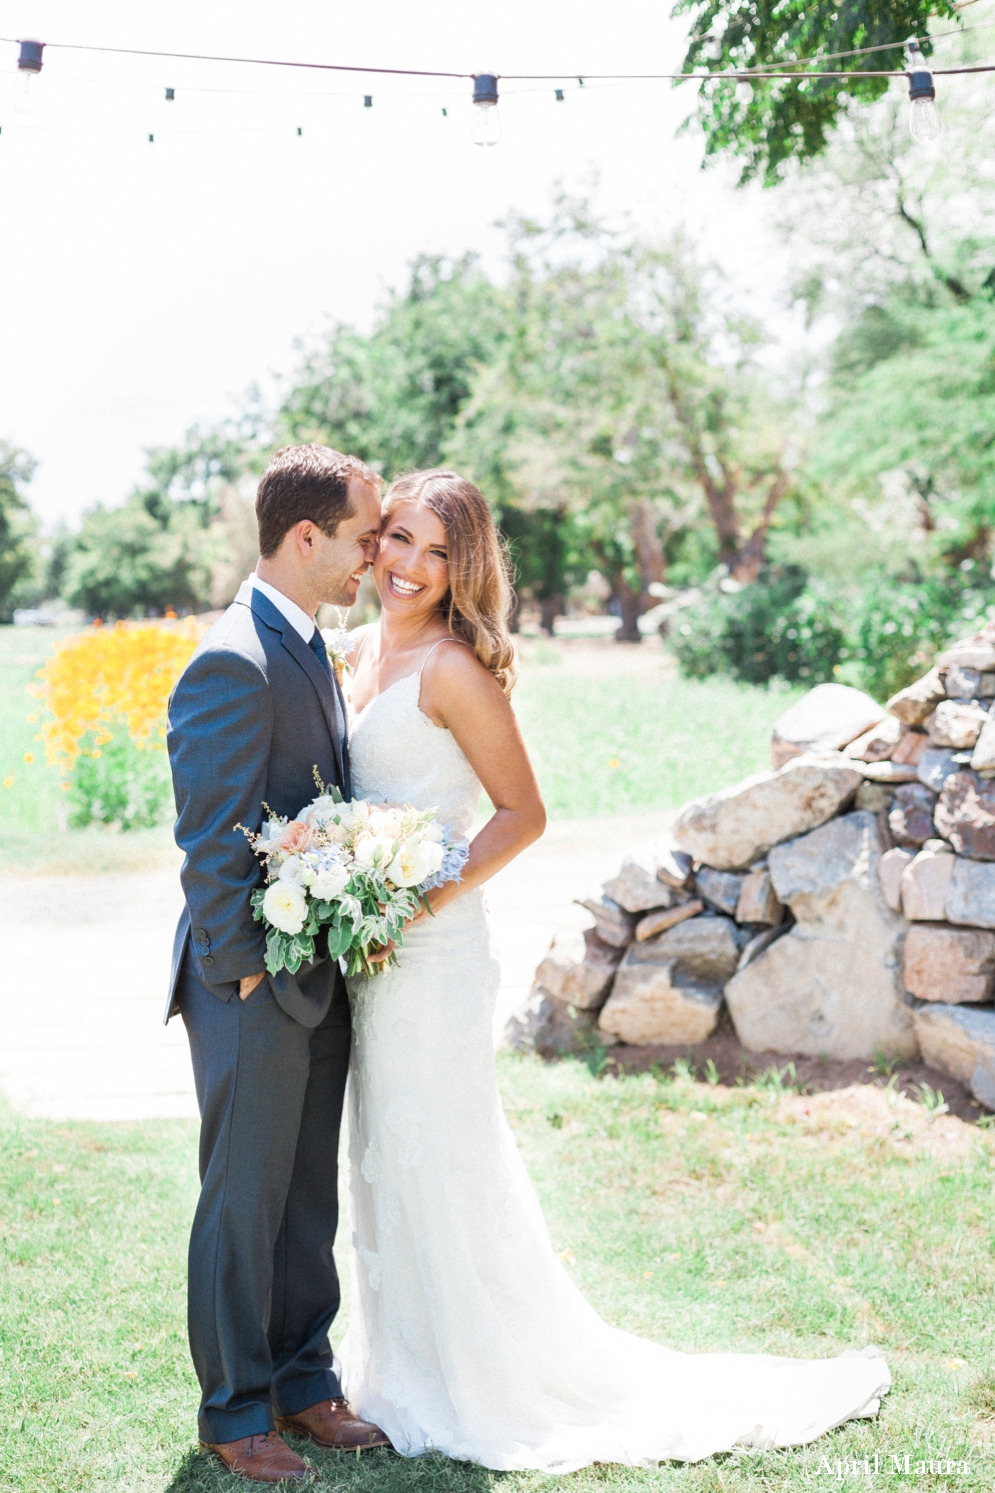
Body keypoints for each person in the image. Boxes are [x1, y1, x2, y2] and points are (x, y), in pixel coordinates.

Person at [339, 467, 892, 1470]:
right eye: (399, 540)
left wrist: (404, 905)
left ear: (461, 567)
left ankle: (474, 1376)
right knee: (380, 1145)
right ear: (370, 542)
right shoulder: (360, 652)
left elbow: (521, 814)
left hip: (431, 947)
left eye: (435, 551)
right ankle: (394, 1364)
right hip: (366, 952)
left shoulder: (452, 668)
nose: (410, 566)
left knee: (437, 1146)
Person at [165, 445, 392, 1485]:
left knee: (307, 1197)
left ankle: (305, 1383)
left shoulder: (308, 642)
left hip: (320, 969)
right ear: (307, 538)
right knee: (243, 1198)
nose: (372, 555)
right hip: (252, 981)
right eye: (361, 535)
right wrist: (251, 969)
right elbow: (209, 843)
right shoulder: (233, 657)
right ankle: (234, 1408)